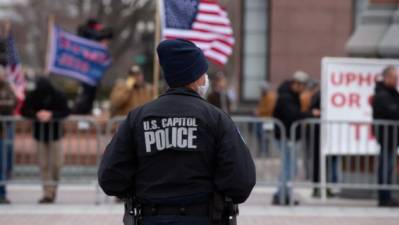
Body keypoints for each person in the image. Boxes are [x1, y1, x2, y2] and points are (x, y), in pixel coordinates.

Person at [98, 39, 256, 225]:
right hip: (203, 218)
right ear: (196, 77)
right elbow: (241, 182)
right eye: (204, 74)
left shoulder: (137, 119)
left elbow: (110, 177)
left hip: (150, 217)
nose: (206, 79)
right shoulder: (217, 119)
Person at [272, 71, 320, 205]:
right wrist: (310, 114)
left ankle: (282, 194)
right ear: (297, 84)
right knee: (290, 167)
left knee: (290, 167)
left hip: (287, 136)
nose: (304, 89)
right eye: (303, 86)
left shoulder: (290, 94)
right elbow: (293, 115)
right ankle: (282, 195)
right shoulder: (286, 97)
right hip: (285, 137)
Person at [21, 77, 70, 204]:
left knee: (57, 164)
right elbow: (23, 110)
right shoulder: (33, 95)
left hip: (55, 134)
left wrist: (51, 115)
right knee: (43, 165)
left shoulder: (58, 94)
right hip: (40, 135)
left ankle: (53, 188)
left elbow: (66, 111)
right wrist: (36, 115)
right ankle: (47, 193)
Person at [372, 65, 399, 207]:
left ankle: (387, 196)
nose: (397, 81)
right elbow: (392, 112)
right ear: (387, 77)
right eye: (395, 77)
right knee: (385, 168)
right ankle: (384, 197)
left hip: (392, 138)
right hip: (387, 137)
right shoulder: (383, 95)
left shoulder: (392, 93)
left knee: (388, 168)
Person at [0, 66, 16, 204]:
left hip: (3, 131)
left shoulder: (7, 88)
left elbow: (13, 102)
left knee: (3, 164)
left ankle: (2, 193)